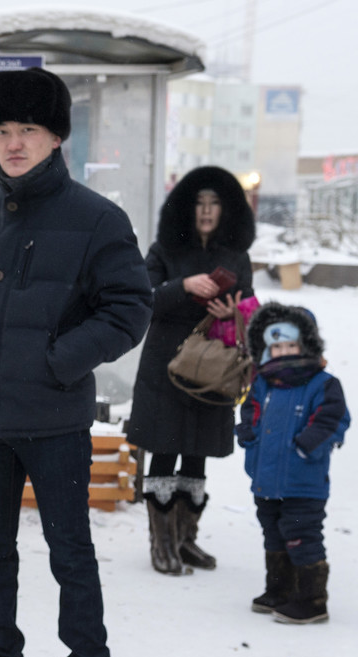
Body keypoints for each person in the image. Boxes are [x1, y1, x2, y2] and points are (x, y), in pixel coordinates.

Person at [0, 67, 152, 657]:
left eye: (28, 127)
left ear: (56, 136)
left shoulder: (96, 218)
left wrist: (59, 361)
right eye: (1, 129)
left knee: (70, 552)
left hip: (54, 421)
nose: (13, 142)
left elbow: (130, 308)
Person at [126, 166, 257, 576]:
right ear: (186, 208)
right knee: (164, 450)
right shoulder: (164, 250)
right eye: (199, 203)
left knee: (197, 455)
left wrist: (235, 312)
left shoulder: (237, 255)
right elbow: (141, 300)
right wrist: (183, 286)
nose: (206, 211)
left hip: (214, 368)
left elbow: (252, 309)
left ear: (227, 209)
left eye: (214, 203)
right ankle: (161, 544)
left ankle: (186, 540)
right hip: (166, 365)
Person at [237, 302, 350, 624]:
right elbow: (251, 411)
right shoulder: (263, 382)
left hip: (304, 480)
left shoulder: (323, 383)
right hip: (266, 477)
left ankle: (312, 599)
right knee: (273, 532)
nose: (283, 352)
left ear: (306, 344)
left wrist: (306, 447)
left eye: (290, 344)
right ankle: (280, 590)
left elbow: (332, 419)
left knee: (301, 535)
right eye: (276, 346)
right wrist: (248, 435)